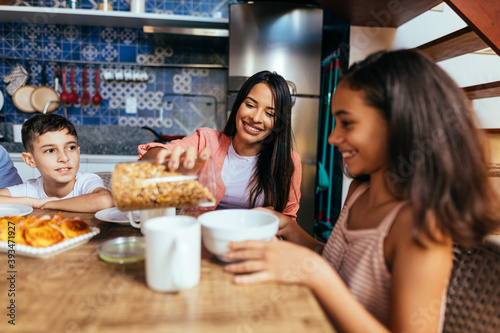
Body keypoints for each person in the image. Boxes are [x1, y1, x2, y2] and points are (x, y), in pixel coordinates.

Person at [223, 50, 500, 332]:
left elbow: (329, 278)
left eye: (347, 123)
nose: (333, 137)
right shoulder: (359, 193)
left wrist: (316, 274)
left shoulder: (420, 227)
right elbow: (340, 265)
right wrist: (287, 227)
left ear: (398, 125)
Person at [138, 70, 302, 220]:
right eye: (250, 105)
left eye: (269, 113)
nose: (256, 118)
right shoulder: (207, 140)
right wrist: (166, 162)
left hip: (255, 247)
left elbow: (288, 218)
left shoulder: (289, 161)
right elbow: (149, 157)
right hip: (203, 242)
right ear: (238, 105)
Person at [0, 114, 114, 213]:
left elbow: (105, 201)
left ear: (78, 152)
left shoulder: (86, 181)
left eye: (70, 147)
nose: (64, 158)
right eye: (50, 150)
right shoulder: (30, 189)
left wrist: (50, 204)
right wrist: (33, 202)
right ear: (30, 160)